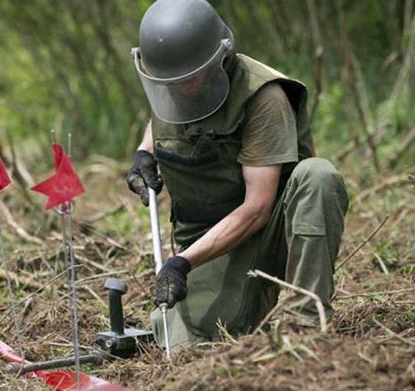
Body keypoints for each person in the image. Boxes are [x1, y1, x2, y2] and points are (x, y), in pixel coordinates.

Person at [126, 0, 349, 350]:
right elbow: (164, 117)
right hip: (206, 239)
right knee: (189, 340)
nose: (181, 89)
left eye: (191, 78)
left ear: (219, 59)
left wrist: (182, 263)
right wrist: (144, 152)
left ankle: (305, 322)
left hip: (266, 231)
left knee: (318, 176)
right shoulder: (173, 84)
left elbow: (258, 208)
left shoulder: (264, 98)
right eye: (171, 82)